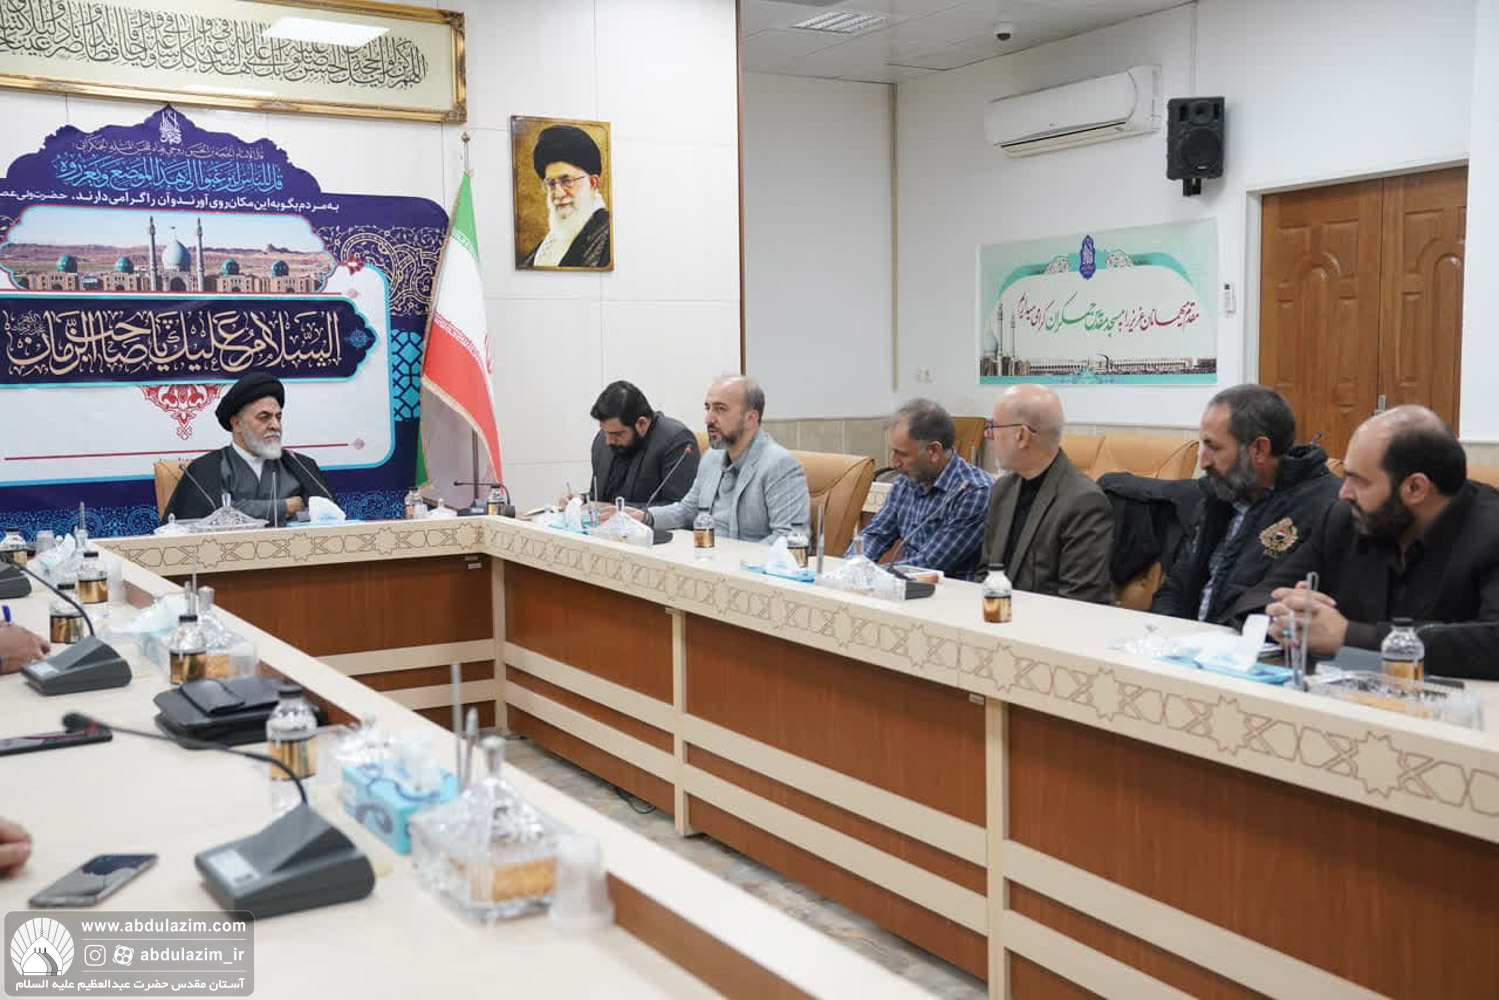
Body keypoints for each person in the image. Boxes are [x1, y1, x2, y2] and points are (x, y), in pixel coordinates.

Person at [1234, 406, 1499, 680]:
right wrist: (1290, 617)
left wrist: (1349, 636)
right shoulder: (1344, 520)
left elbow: (1493, 642)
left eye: (1359, 481)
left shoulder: (1490, 532)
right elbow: (1256, 599)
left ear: (1416, 488)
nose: (1344, 493)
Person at [1151, 385, 1340, 625]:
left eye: (1214, 447)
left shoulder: (1324, 509)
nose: (1203, 462)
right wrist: (1166, 632)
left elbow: (1271, 611)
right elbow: (1176, 588)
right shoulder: (1220, 496)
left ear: (1259, 449)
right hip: (1189, 642)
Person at [604, 376, 809, 543]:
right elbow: (687, 511)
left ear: (750, 419)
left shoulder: (780, 465)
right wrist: (645, 517)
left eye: (720, 409)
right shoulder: (712, 457)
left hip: (748, 573)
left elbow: (789, 538)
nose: (708, 419)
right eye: (707, 408)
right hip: (706, 559)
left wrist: (734, 560)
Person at [980, 384, 1112, 602]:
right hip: (997, 614)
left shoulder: (1084, 502)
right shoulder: (1002, 489)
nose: (988, 435)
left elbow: (1079, 600)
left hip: (1049, 621)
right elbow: (985, 572)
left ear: (1022, 436)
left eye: (993, 426)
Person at [161, 372, 335, 525]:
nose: (275, 425)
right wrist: (284, 507)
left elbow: (328, 517)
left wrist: (242, 509)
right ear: (237, 424)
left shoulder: (302, 466)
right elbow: (211, 519)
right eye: (264, 417)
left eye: (278, 417)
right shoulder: (205, 470)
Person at [854, 399, 992, 577]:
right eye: (892, 451)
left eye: (902, 454)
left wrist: (869, 573)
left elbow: (928, 564)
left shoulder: (974, 492)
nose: (893, 463)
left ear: (934, 451)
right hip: (903, 586)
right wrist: (853, 565)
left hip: (947, 591)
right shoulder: (906, 481)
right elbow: (876, 534)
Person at [586, 381, 699, 508]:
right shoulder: (602, 441)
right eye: (605, 431)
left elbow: (680, 509)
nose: (608, 441)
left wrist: (617, 510)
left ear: (641, 424)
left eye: (617, 434)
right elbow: (598, 497)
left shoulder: (676, 441)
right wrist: (581, 500)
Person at [519, 124, 611, 269]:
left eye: (567, 181)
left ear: (592, 183)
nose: (558, 194)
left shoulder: (609, 236)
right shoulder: (546, 246)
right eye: (551, 184)